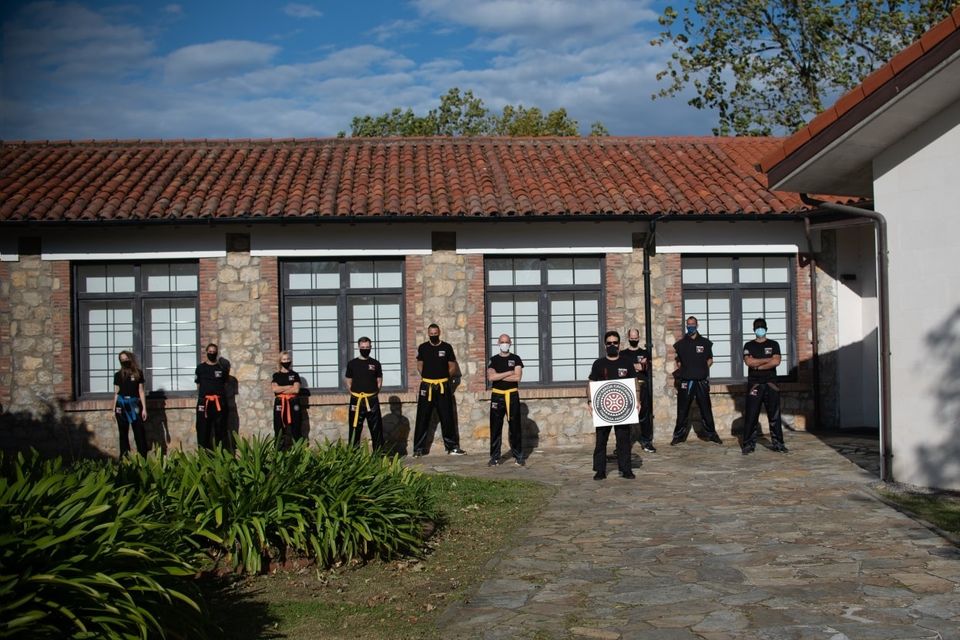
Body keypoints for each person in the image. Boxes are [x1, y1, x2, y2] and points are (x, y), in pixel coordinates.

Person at [587, 331, 638, 480]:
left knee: (623, 440)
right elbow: (591, 383)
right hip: (603, 410)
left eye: (615, 342)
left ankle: (626, 470)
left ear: (619, 344)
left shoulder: (626, 363)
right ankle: (600, 470)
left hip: (623, 409)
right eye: (609, 343)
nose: (612, 345)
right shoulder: (598, 364)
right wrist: (590, 401)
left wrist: (637, 400)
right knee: (601, 440)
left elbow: (634, 383)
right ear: (605, 345)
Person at [412, 323, 466, 456]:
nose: (433, 335)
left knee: (447, 417)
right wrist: (426, 375)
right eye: (431, 333)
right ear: (428, 333)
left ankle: (452, 447)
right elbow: (419, 364)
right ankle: (418, 450)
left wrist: (444, 378)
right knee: (422, 418)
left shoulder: (446, 347)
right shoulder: (423, 347)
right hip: (427, 386)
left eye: (435, 333)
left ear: (439, 332)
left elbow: (452, 366)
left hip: (443, 387)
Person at [670, 316, 723, 446]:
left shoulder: (705, 343)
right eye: (688, 325)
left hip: (701, 381)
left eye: (693, 324)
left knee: (706, 409)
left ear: (697, 325)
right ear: (686, 326)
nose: (690, 327)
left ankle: (712, 434)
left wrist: (703, 369)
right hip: (686, 381)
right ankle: (678, 436)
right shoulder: (680, 344)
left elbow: (710, 359)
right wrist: (684, 369)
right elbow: (677, 360)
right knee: (682, 410)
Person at [741, 318, 788, 454]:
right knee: (751, 416)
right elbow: (749, 362)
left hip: (771, 384)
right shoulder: (748, 345)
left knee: (774, 416)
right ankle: (748, 445)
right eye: (757, 327)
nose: (760, 330)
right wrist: (768, 360)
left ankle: (778, 444)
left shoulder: (774, 344)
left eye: (762, 327)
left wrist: (758, 366)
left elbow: (776, 361)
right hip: (754, 385)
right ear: (754, 329)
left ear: (766, 329)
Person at [486, 333, 524, 466]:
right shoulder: (493, 359)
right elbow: (491, 377)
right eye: (502, 342)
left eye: (506, 342)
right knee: (495, 427)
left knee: (515, 427)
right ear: (498, 343)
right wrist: (509, 372)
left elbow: (517, 377)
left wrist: (499, 376)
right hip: (497, 396)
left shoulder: (516, 359)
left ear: (510, 343)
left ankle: (518, 456)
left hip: (512, 396)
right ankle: (495, 457)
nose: (504, 344)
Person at [344, 336, 384, 451]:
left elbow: (379, 381)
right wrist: (354, 393)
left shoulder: (375, 363)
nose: (365, 349)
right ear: (359, 347)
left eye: (367, 347)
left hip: (371, 400)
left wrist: (374, 393)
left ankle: (378, 455)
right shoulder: (352, 363)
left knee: (376, 428)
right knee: (355, 427)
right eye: (363, 347)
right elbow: (348, 381)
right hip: (356, 400)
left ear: (371, 347)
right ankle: (353, 456)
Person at [624, 327, 655, 453]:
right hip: (628, 388)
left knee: (644, 415)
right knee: (625, 416)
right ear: (628, 338)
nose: (634, 340)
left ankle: (647, 442)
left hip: (643, 387)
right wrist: (636, 366)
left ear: (639, 337)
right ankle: (623, 445)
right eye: (632, 338)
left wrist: (633, 366)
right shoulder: (623, 354)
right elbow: (623, 370)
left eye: (636, 338)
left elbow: (645, 367)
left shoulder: (645, 352)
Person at [113, 350, 148, 457]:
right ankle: (125, 458)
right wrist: (113, 409)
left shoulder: (138, 373)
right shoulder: (117, 375)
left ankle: (143, 458)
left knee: (139, 432)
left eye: (126, 358)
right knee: (123, 433)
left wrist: (144, 409)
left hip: (134, 405)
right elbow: (116, 393)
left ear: (130, 359)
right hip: (121, 404)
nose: (124, 361)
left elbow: (141, 391)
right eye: (122, 360)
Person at [195, 343, 228, 449]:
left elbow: (224, 383)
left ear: (217, 353)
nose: (212, 354)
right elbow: (198, 384)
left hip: (219, 403)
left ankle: (222, 457)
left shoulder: (221, 369)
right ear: (206, 352)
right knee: (203, 430)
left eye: (214, 352)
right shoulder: (200, 368)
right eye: (210, 352)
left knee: (220, 430)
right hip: (204, 403)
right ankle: (204, 458)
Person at [271, 350, 302, 449]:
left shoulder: (295, 375)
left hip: (293, 402)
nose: (286, 361)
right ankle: (279, 451)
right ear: (280, 361)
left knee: (296, 426)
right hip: (280, 403)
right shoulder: (276, 375)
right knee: (279, 427)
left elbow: (296, 389)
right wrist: (289, 386)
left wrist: (282, 389)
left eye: (288, 359)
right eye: (284, 359)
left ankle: (298, 450)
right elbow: (275, 389)